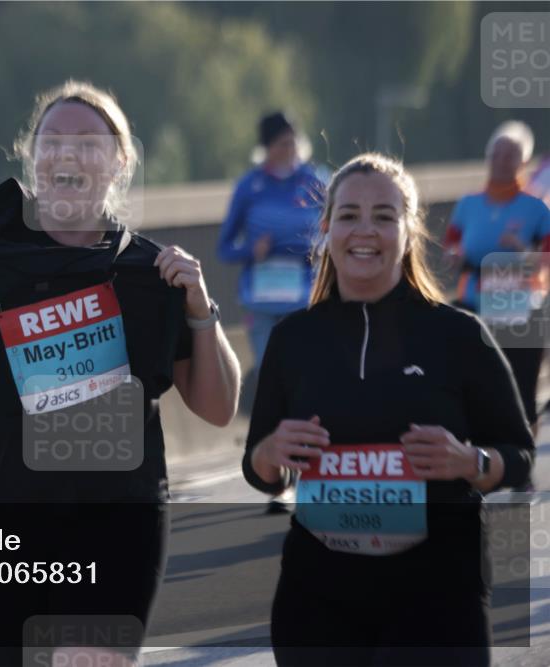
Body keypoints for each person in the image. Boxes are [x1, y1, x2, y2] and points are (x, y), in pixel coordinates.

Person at [0, 80, 241, 666]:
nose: (66, 153)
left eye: (88, 142)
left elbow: (217, 409)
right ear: (32, 157)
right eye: (52, 140)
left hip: (116, 522)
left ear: (119, 162)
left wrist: (200, 309)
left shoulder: (148, 272)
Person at [242, 153, 534, 666]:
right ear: (327, 228)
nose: (365, 230)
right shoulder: (293, 339)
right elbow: (259, 467)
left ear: (409, 230)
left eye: (384, 216)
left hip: (439, 593)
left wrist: (471, 462)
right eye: (350, 215)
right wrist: (270, 453)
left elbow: (520, 455)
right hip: (319, 597)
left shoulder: (459, 334)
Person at [218, 110, 323, 513]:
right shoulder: (250, 187)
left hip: (304, 301)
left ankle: (303, 475)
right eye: (280, 143)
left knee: (303, 383)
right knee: (272, 381)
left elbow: (336, 233)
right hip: (262, 305)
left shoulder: (315, 181)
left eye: (293, 141)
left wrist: (314, 254)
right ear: (266, 147)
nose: (288, 149)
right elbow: (224, 248)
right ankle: (279, 482)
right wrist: (251, 251)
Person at [445, 121, 550, 442]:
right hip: (474, 298)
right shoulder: (468, 203)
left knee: (520, 384)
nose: (502, 160)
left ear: (523, 162)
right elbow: (451, 242)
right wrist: (455, 255)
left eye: (511, 155)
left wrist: (523, 251)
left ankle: (522, 456)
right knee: (472, 379)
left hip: (518, 303)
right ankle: (477, 452)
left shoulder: (535, 208)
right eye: (498, 153)